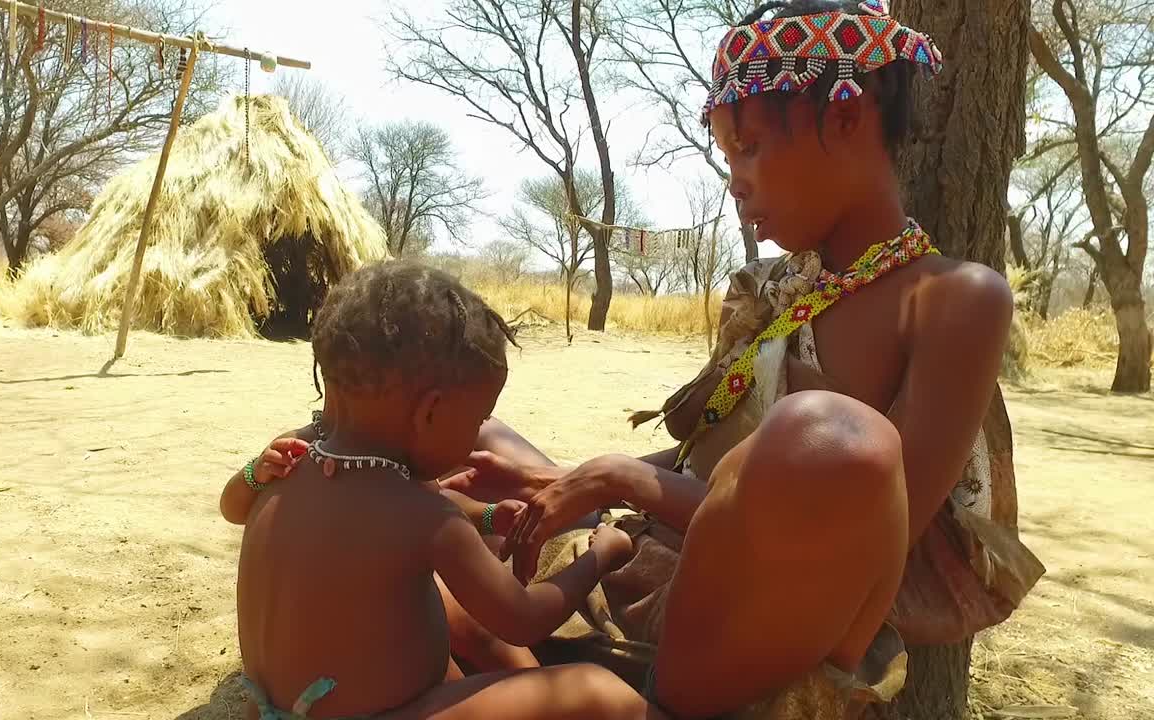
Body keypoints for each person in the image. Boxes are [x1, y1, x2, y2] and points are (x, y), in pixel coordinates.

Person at [443, 1, 1045, 717]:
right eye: (728, 157)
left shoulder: (954, 300)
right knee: (462, 437)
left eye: (751, 148)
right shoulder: (768, 289)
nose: (736, 179)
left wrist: (620, 480)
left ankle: (626, 692)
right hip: (657, 553)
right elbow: (704, 462)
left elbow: (865, 538)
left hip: (764, 621)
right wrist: (569, 481)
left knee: (822, 436)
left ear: (848, 119)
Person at [219, 260, 667, 720]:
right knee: (594, 690)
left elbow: (247, 507)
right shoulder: (425, 519)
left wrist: (490, 517)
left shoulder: (292, 463)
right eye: (478, 418)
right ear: (430, 412)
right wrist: (601, 555)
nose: (479, 431)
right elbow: (522, 617)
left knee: (436, 616)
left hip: (270, 709)